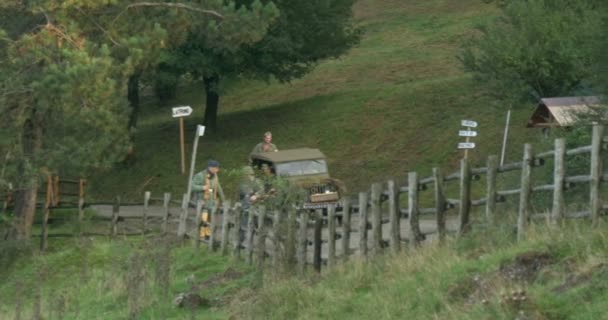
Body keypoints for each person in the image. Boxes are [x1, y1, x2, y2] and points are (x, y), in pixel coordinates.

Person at [191, 160, 225, 239]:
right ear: (210, 168)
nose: (218, 170)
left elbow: (218, 188)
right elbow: (192, 187)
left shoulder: (215, 176)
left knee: (210, 219)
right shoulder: (200, 175)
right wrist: (202, 187)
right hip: (202, 201)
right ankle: (202, 235)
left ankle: (208, 235)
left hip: (211, 201)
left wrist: (223, 200)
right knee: (204, 218)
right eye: (216, 168)